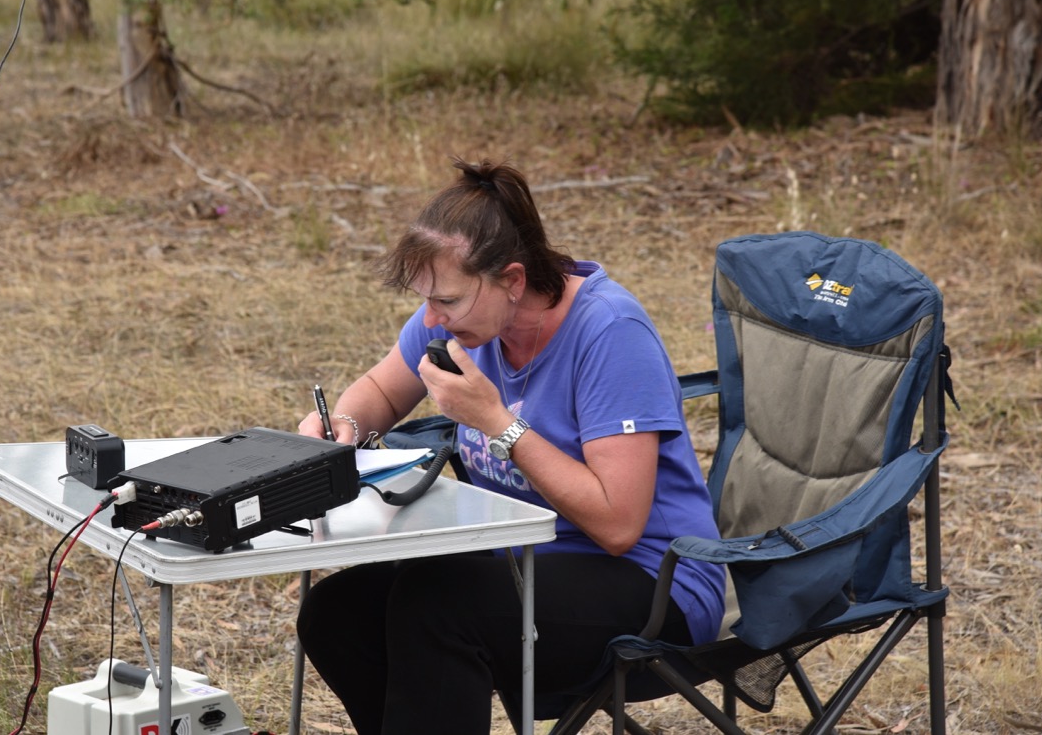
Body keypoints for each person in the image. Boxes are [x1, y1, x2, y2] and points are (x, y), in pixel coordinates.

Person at [295, 157, 724, 734]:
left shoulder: (610, 333)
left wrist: (497, 422)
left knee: (438, 606)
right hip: (525, 558)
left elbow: (618, 525)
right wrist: (343, 421)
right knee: (337, 612)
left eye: (446, 300)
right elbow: (380, 389)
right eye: (426, 300)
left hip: (654, 582)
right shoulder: (463, 316)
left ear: (513, 281)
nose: (431, 318)